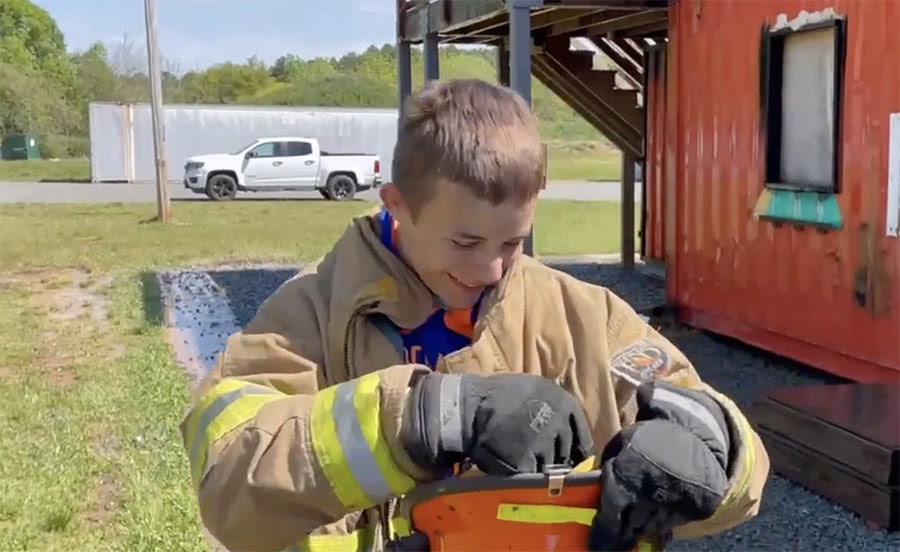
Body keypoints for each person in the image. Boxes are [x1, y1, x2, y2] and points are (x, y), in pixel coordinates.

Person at [179, 78, 770, 552]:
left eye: (513, 243)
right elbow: (227, 484)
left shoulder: (583, 317)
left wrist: (706, 454)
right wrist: (422, 417)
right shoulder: (311, 315)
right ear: (398, 206)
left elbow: (734, 456)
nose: (491, 270)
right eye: (464, 243)